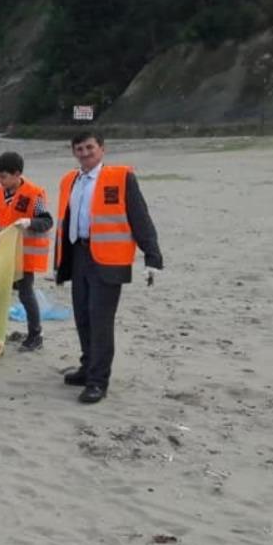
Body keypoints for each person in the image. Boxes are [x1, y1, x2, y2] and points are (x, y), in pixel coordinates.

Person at [55, 133, 163, 404]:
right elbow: (66, 219)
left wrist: (152, 257)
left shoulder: (121, 178)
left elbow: (140, 218)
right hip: (78, 254)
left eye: (90, 147)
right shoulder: (70, 180)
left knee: (100, 321)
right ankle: (87, 366)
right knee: (82, 317)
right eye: (78, 148)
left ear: (102, 149)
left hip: (108, 259)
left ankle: (97, 381)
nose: (84, 153)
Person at [0, 151, 53, 352]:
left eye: (4, 176)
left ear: (17, 174)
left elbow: (47, 220)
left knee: (26, 293)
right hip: (3, 253)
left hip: (25, 254)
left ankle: (36, 334)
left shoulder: (36, 194)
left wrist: (30, 222)